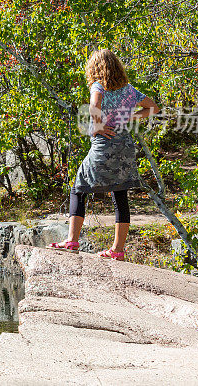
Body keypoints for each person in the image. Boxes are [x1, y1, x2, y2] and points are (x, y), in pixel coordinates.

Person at [48, 49, 160, 260]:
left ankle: (72, 240)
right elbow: (153, 108)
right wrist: (129, 117)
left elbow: (94, 105)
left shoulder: (98, 85)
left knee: (79, 188)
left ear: (96, 68)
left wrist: (98, 125)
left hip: (104, 144)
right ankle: (117, 250)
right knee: (120, 194)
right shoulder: (129, 90)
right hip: (125, 147)